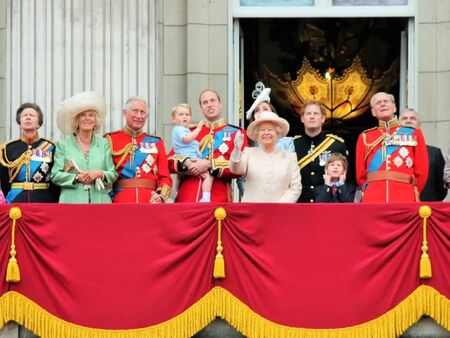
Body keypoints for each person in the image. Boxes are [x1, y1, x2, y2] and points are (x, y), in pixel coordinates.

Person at [169, 89, 248, 202]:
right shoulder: (190, 132)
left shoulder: (237, 133)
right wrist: (189, 165)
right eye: (205, 102)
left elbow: (241, 168)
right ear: (201, 108)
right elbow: (169, 161)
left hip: (217, 199)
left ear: (220, 104)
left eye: (212, 101)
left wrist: (209, 164)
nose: (209, 105)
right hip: (187, 198)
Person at [355, 92, 428, 202]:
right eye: (378, 103)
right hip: (373, 197)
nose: (383, 104)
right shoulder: (365, 137)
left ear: (394, 107)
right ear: (373, 112)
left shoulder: (413, 133)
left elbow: (422, 170)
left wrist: (413, 191)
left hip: (404, 196)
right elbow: (360, 174)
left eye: (386, 101)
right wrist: (368, 191)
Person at [51, 91, 117, 203]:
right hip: (71, 201)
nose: (87, 118)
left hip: (99, 201)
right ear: (76, 121)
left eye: (91, 115)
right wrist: (77, 178)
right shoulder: (63, 145)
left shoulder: (104, 144)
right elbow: (55, 175)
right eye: (83, 115)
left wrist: (100, 174)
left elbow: (112, 174)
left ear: (96, 121)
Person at [105, 97, 172, 203]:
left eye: (142, 112)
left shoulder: (156, 142)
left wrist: (161, 196)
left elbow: (165, 177)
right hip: (120, 201)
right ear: (125, 113)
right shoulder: (110, 140)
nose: (139, 116)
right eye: (135, 111)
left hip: (150, 201)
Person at [230, 111, 301, 202]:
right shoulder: (249, 153)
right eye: (262, 130)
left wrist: (281, 205)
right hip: (252, 211)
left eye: (270, 129)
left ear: (277, 133)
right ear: (257, 134)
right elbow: (236, 170)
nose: (266, 133)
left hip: (280, 211)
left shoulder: (289, 157)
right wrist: (236, 150)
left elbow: (296, 187)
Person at [0, 103, 59, 203]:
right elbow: (4, 180)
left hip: (43, 199)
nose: (28, 117)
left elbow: (55, 179)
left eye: (32, 115)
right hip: (16, 199)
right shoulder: (8, 148)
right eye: (24, 115)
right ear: (20, 122)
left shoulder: (50, 147)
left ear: (39, 123)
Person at [293, 99, 348, 203]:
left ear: (323, 118)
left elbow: (345, 178)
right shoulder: (293, 145)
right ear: (302, 118)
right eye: (308, 113)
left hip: (328, 201)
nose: (312, 116)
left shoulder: (336, 145)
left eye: (316, 113)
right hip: (300, 202)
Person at [399, 108, 447, 201]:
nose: (408, 121)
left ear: (419, 124)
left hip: (427, 207)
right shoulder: (390, 152)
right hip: (400, 205)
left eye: (413, 118)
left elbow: (441, 188)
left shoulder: (435, 153)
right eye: (404, 118)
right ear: (398, 124)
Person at [171, 103, 213, 202]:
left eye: (187, 114)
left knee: (196, 174)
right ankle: (206, 198)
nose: (184, 116)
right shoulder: (179, 129)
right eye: (181, 115)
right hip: (187, 158)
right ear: (173, 119)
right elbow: (187, 139)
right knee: (208, 176)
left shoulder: (184, 129)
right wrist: (198, 128)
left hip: (187, 158)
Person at [245, 82, 295, 152]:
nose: (261, 112)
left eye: (265, 109)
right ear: (254, 118)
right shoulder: (249, 143)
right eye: (257, 110)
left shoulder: (287, 142)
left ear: (272, 113)